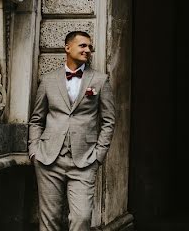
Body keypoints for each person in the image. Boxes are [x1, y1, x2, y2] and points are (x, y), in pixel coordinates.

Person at [29, 31, 116, 231]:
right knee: (49, 220)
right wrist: (34, 151)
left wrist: (99, 154)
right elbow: (36, 119)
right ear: (67, 48)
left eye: (90, 47)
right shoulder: (48, 80)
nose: (88, 50)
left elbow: (109, 120)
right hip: (48, 158)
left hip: (84, 161)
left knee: (82, 217)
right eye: (83, 46)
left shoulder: (100, 80)